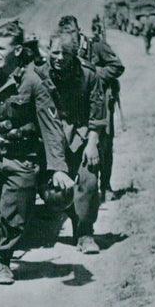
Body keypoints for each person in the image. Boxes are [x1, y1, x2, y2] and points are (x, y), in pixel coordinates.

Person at [0, 21, 72, 284]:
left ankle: (2, 260)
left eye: (1, 48)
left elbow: (51, 127)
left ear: (17, 50)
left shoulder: (34, 82)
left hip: (22, 160)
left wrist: (59, 167)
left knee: (13, 216)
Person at [40, 32, 107, 254]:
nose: (59, 57)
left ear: (75, 53)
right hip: (49, 136)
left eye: (65, 53)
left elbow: (97, 112)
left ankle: (85, 232)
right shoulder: (39, 73)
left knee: (88, 180)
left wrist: (92, 143)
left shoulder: (88, 74)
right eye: (55, 52)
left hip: (81, 134)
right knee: (54, 191)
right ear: (48, 50)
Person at [58, 14, 124, 201]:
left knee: (104, 143)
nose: (69, 37)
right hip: (77, 104)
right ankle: (83, 188)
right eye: (65, 33)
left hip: (100, 101)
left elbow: (117, 66)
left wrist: (96, 76)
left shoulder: (95, 45)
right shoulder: (62, 47)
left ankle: (106, 185)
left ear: (78, 31)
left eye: (72, 32)